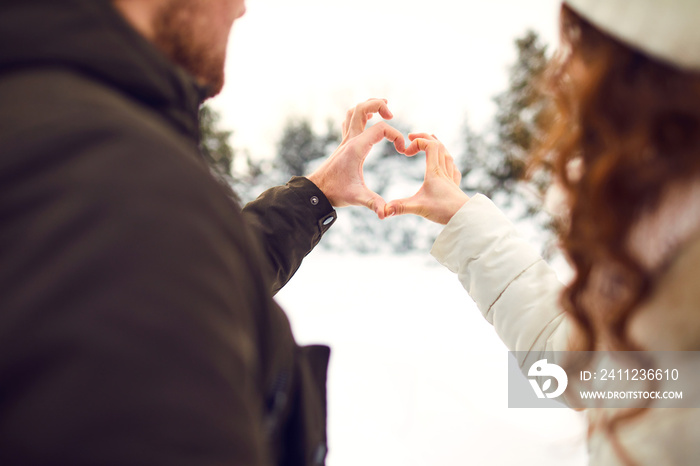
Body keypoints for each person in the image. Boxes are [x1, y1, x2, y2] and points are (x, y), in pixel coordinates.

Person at [0, 0, 406, 464]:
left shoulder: (55, 142)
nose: (240, 9)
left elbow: (173, 273)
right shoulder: (120, 178)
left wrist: (315, 194)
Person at [384, 0, 700, 464]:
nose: (561, 71)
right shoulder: (653, 237)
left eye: (583, 45)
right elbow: (581, 371)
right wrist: (463, 218)